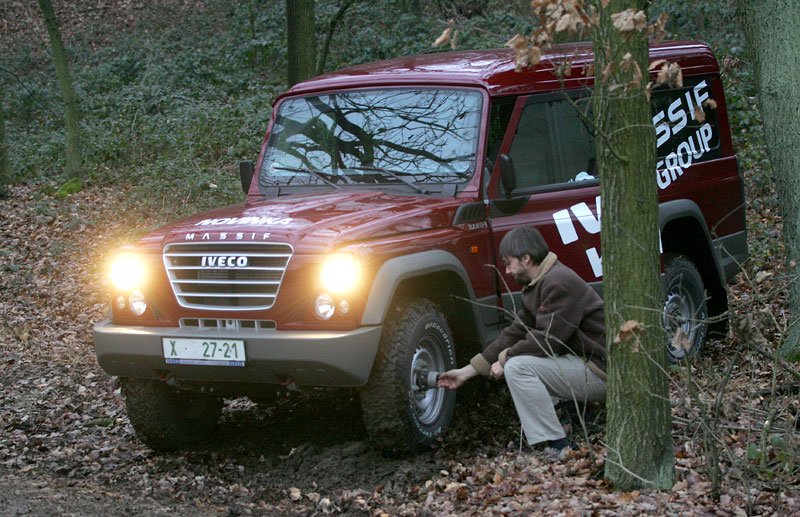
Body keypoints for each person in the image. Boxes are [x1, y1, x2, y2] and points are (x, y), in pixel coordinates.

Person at [437, 226, 606, 456]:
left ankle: (556, 444)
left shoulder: (558, 282)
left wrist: (506, 358)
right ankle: (575, 416)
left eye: (509, 263)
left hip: (603, 373)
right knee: (523, 359)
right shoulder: (540, 282)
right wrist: (466, 372)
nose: (507, 271)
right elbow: (515, 331)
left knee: (518, 367)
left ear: (526, 258)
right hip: (585, 363)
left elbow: (547, 341)